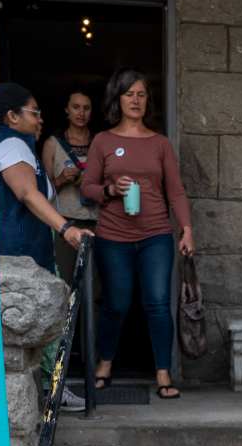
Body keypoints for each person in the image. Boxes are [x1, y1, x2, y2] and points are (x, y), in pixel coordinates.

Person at [79, 69, 193, 399]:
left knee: (157, 303)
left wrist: (187, 230)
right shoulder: (103, 141)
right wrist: (111, 189)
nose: (136, 100)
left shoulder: (160, 144)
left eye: (141, 94)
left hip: (156, 234)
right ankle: (104, 363)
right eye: (129, 94)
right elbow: (87, 187)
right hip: (113, 235)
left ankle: (162, 372)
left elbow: (176, 192)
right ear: (117, 99)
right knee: (116, 303)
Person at [0, 82, 90, 409]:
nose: (40, 118)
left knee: (48, 320)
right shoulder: (12, 146)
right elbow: (27, 194)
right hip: (22, 251)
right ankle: (52, 389)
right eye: (34, 112)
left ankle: (51, 387)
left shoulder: (19, 145)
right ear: (11, 116)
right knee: (45, 322)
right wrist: (66, 228)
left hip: (29, 248)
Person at [42, 87, 99, 282]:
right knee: (66, 283)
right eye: (76, 107)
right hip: (65, 223)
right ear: (66, 110)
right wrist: (62, 179)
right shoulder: (53, 143)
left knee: (98, 286)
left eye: (86, 108)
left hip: (98, 221)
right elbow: (44, 192)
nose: (81, 113)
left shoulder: (101, 142)